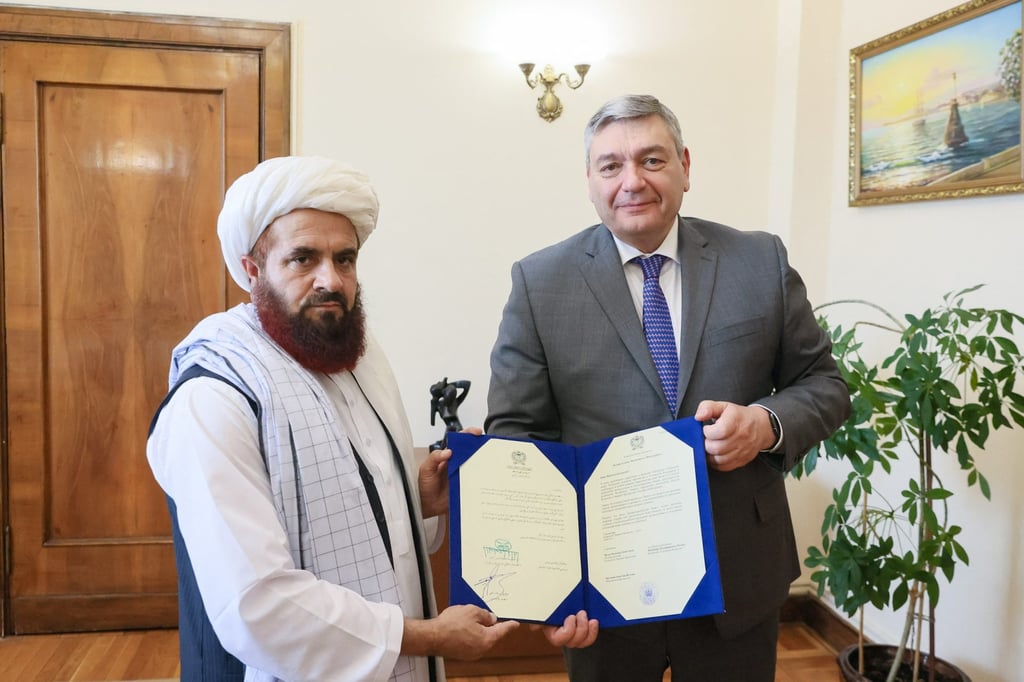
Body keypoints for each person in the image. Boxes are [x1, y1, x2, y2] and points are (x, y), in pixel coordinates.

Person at [147, 156, 591, 682]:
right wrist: (428, 636)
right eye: (303, 259)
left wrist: (420, 498)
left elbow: (367, 527)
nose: (329, 281)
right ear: (251, 270)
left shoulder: (358, 358)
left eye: (345, 259)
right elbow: (257, 607)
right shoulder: (213, 398)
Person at [485, 95, 851, 681]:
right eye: (611, 166)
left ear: (684, 165)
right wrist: (544, 588)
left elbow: (824, 385)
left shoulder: (759, 260)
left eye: (652, 160)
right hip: (599, 590)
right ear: (589, 180)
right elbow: (518, 439)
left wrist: (767, 425)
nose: (633, 181)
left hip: (737, 574)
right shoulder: (539, 282)